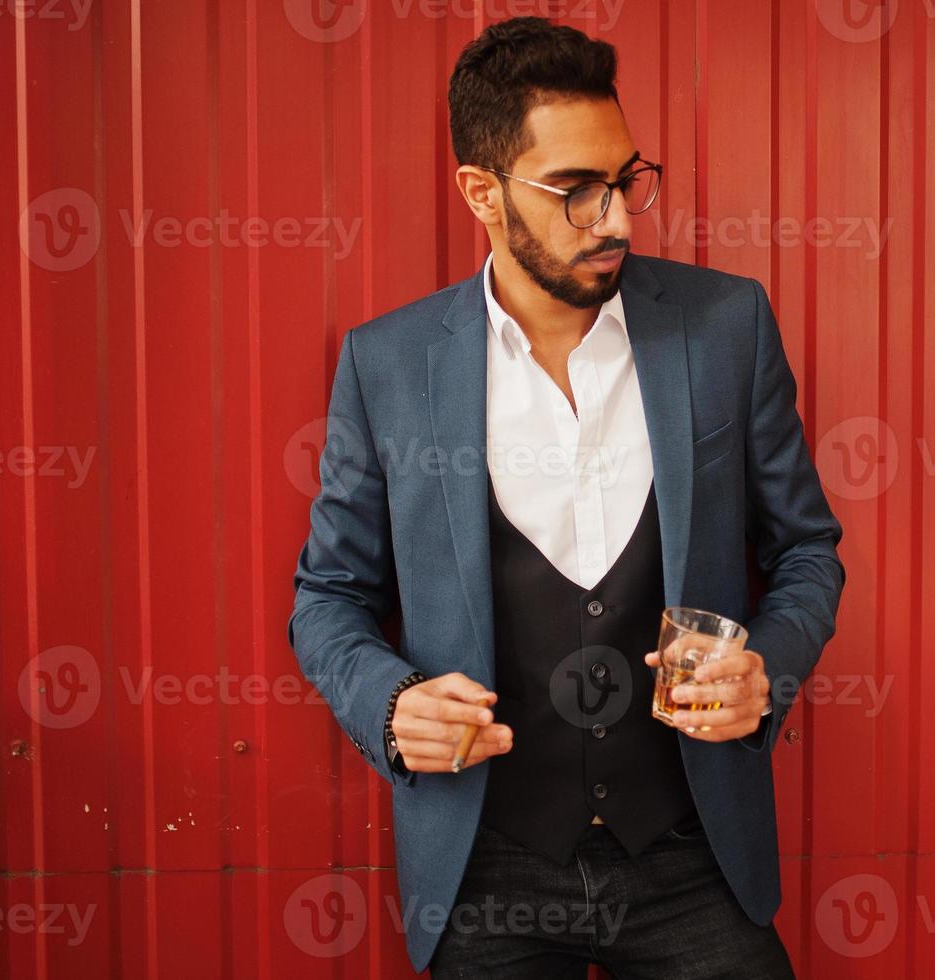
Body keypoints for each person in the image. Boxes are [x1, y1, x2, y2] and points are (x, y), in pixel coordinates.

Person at [288, 16, 845, 977]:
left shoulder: (724, 329)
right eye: (575, 192)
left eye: (626, 181)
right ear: (480, 193)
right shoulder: (387, 366)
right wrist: (389, 707)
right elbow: (327, 598)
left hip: (694, 852)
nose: (619, 219)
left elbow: (806, 552)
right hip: (484, 863)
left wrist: (768, 671)